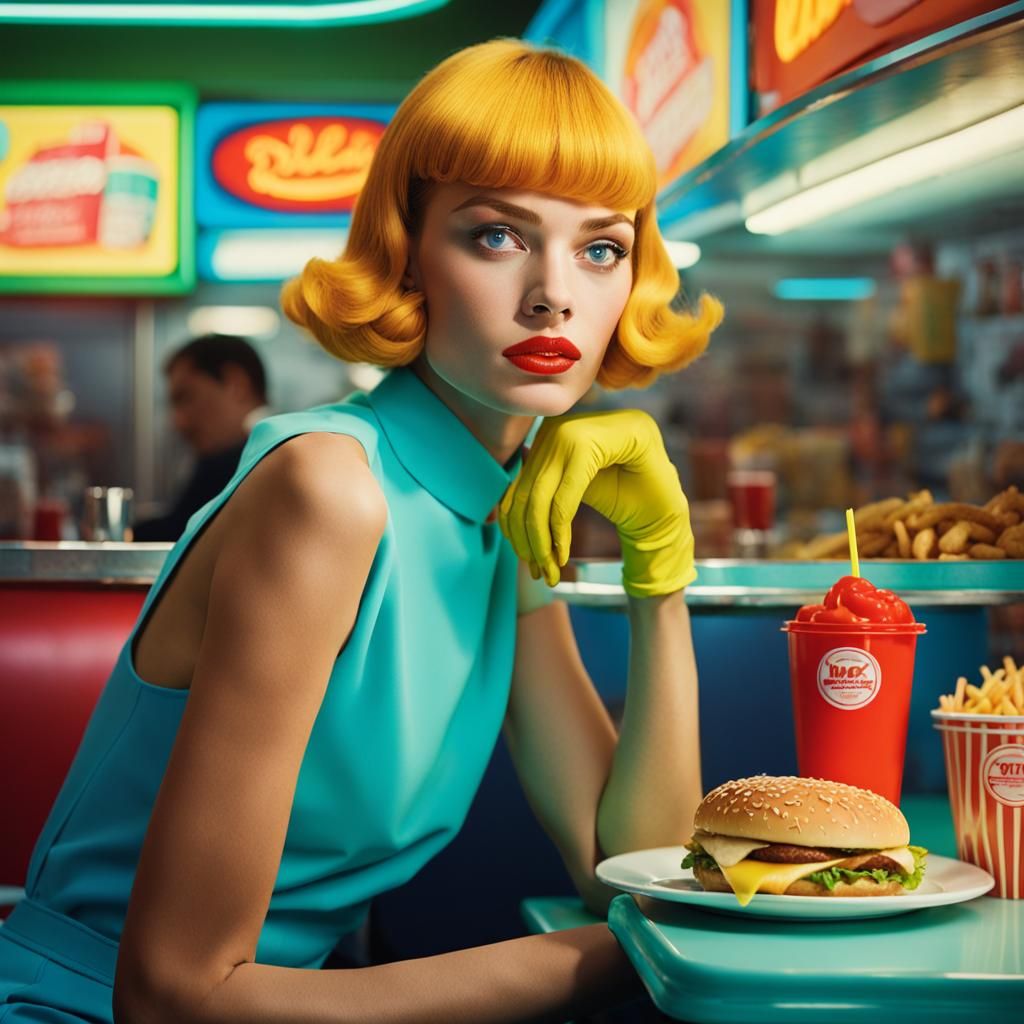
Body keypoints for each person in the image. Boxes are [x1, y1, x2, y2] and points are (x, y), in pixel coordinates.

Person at [0, 40, 722, 1023]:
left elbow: (626, 865)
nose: (554, 292)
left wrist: (660, 577)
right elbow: (172, 996)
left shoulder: (497, 509)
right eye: (497, 235)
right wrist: (616, 956)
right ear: (407, 252)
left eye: (600, 249)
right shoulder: (330, 490)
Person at [133, 334, 270, 541]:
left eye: (186, 397)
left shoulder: (233, 462)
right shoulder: (292, 447)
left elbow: (179, 533)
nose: (178, 422)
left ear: (236, 384)